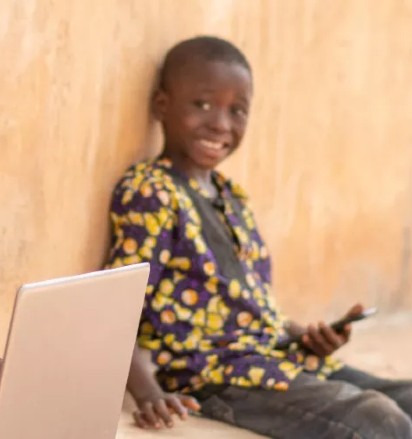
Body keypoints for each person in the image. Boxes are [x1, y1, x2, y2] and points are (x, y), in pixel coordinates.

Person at [107, 36, 412, 438]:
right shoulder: (151, 191)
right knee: (378, 419)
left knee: (406, 397)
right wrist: (148, 394)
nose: (220, 123)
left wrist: (302, 336)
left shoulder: (232, 197)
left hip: (274, 359)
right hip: (216, 374)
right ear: (162, 105)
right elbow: (117, 306)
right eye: (202, 104)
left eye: (237, 110)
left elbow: (243, 305)